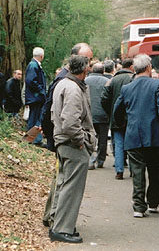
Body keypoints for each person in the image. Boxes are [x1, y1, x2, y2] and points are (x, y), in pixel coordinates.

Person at [113, 54, 159, 217]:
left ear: (134, 69)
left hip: (133, 134)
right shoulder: (157, 85)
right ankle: (153, 203)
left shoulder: (127, 88)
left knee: (137, 172)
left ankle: (139, 207)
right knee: (154, 170)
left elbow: (117, 110)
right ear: (148, 67)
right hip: (154, 136)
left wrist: (122, 124)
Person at [49, 55, 96, 244]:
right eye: (88, 66)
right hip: (72, 144)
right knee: (71, 188)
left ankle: (59, 224)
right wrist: (81, 141)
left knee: (64, 185)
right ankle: (62, 229)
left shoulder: (63, 84)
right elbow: (70, 123)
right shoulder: (73, 89)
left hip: (64, 142)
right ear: (84, 70)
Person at [101, 57, 134, 180]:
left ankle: (119, 171)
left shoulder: (113, 80)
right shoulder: (134, 79)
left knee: (118, 145)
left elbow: (104, 98)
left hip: (116, 117)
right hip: (131, 117)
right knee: (132, 145)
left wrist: (110, 112)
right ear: (131, 67)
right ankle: (133, 170)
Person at [84, 63, 110, 169]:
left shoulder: (85, 81)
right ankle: (100, 160)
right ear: (103, 71)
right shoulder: (107, 81)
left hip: (89, 114)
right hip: (103, 115)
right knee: (103, 140)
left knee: (89, 138)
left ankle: (90, 159)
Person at [25, 47, 47, 145]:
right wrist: (41, 91)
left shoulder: (33, 65)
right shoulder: (34, 65)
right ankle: (33, 140)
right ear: (41, 56)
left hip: (35, 97)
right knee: (35, 119)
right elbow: (31, 81)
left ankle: (31, 139)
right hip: (35, 97)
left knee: (34, 118)